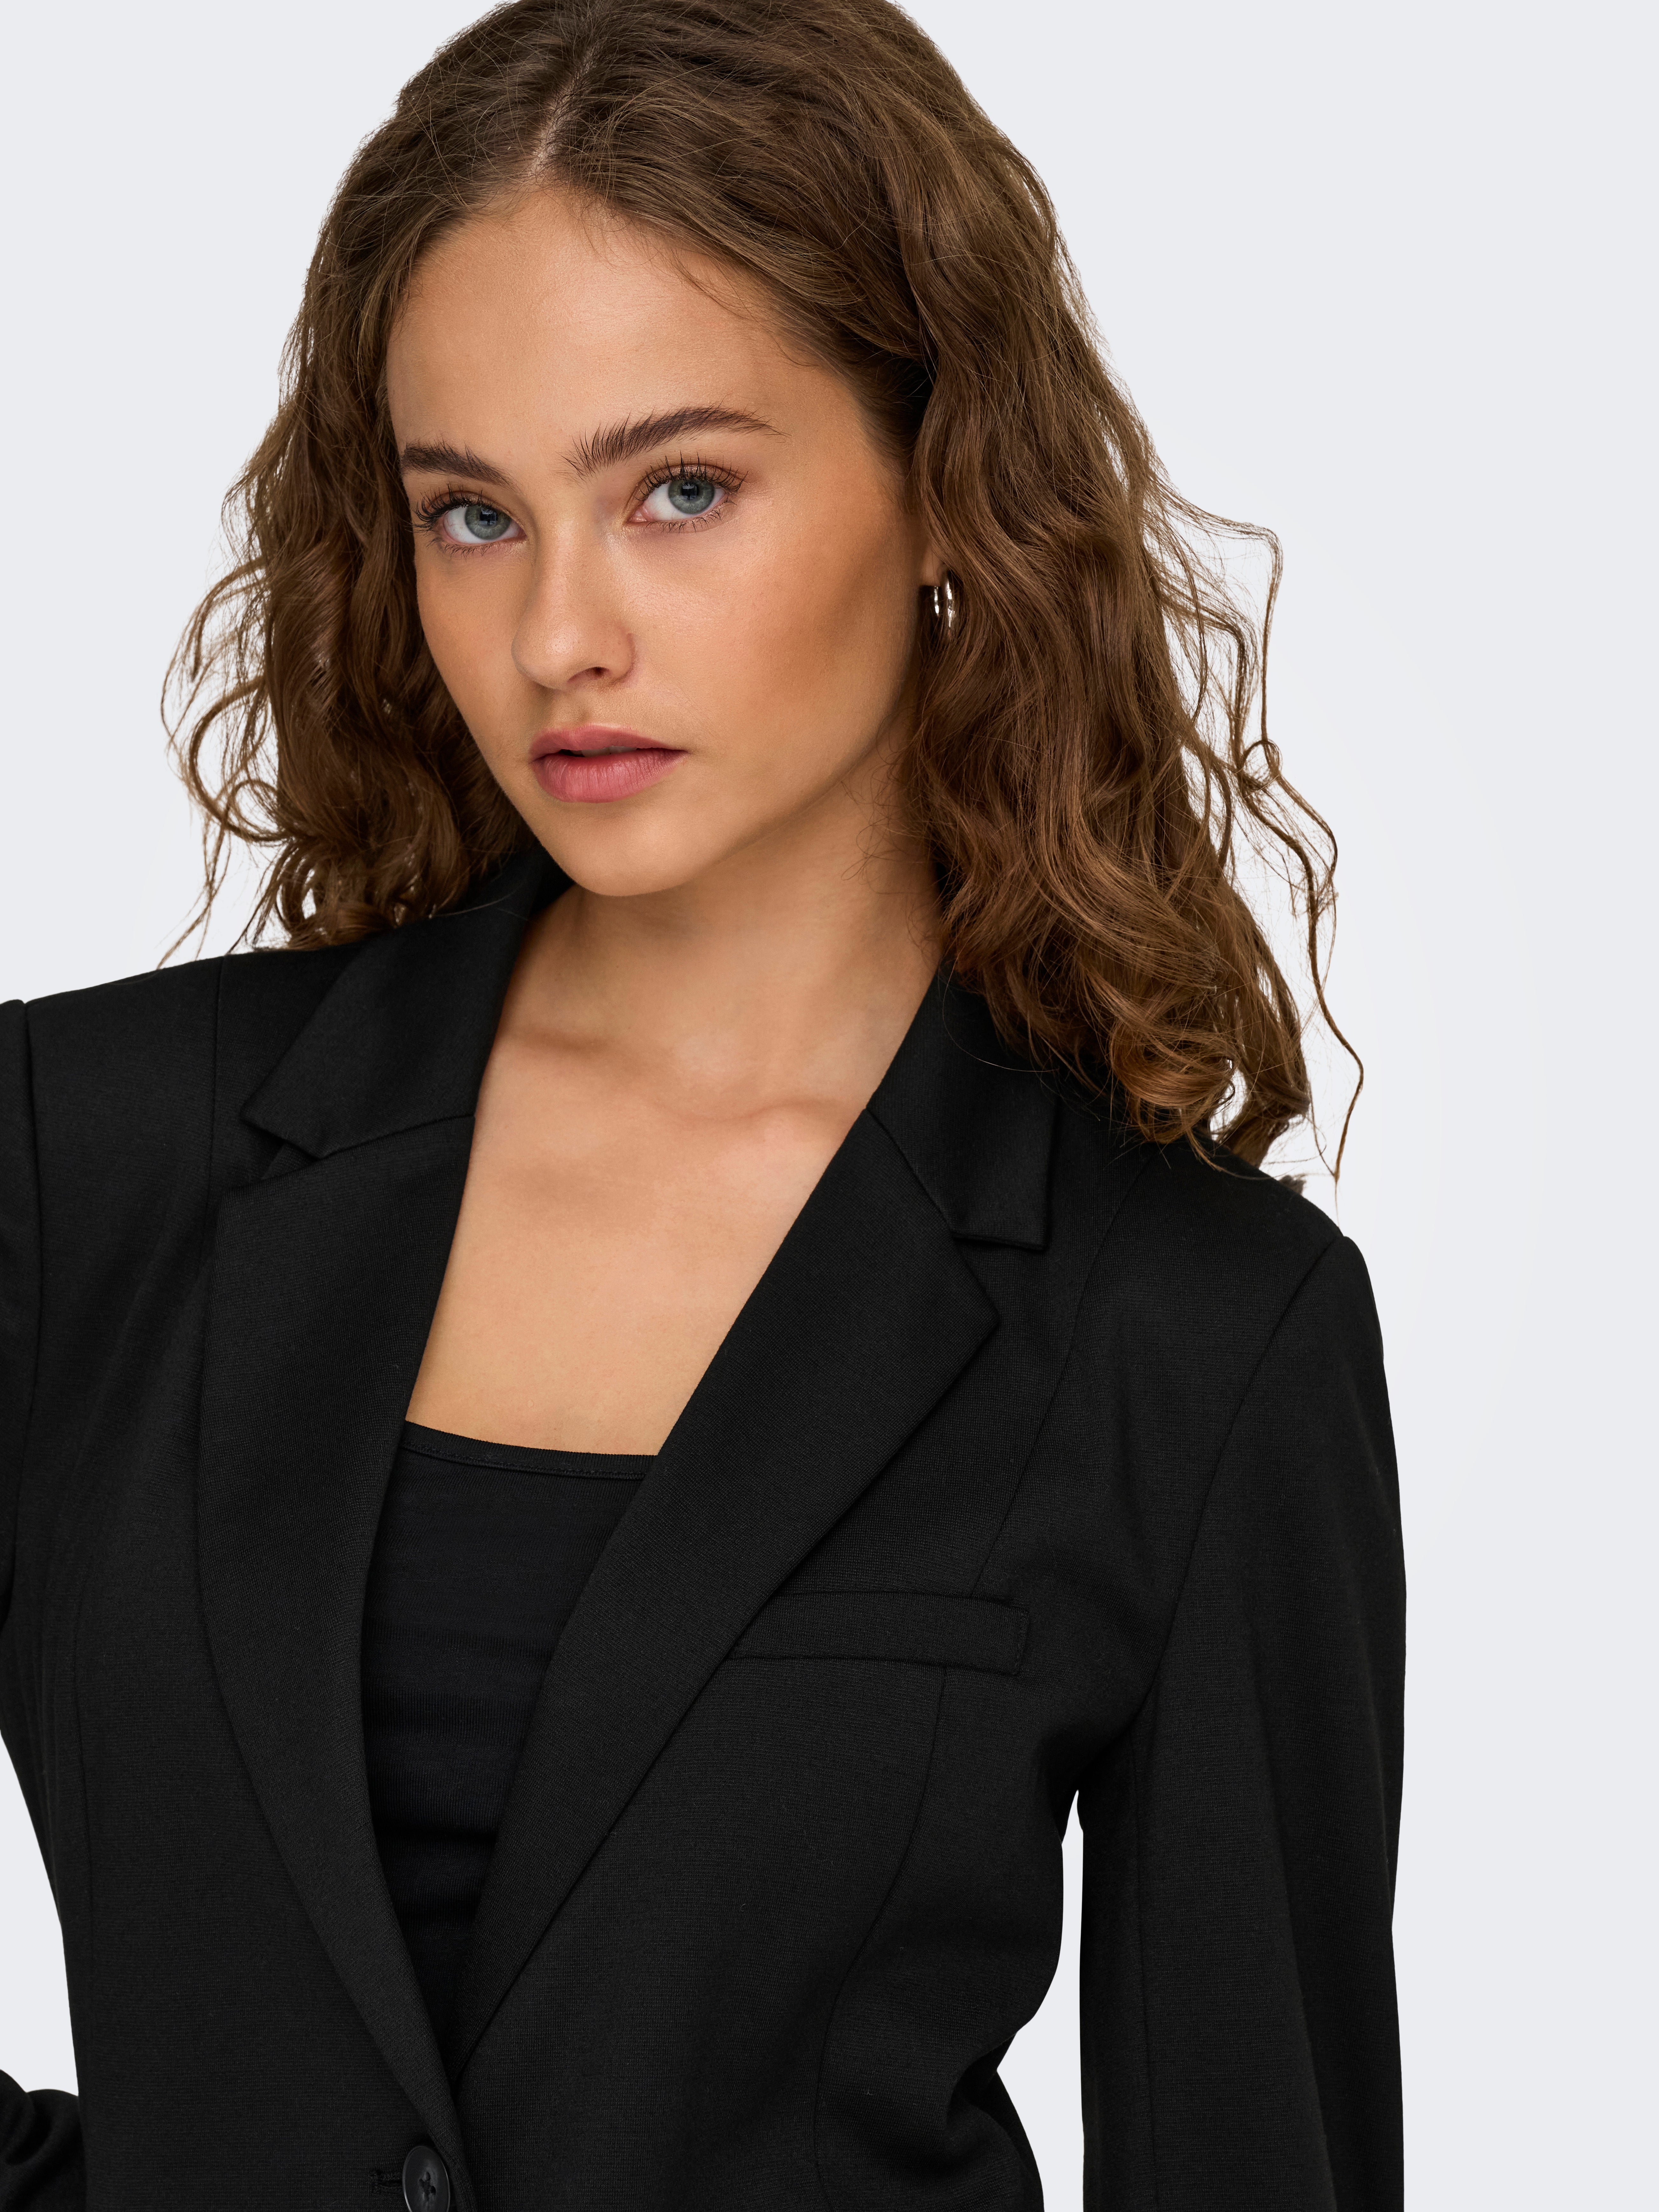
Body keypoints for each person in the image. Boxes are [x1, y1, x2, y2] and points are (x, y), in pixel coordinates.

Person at [0, 1, 1405, 2206]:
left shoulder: (1193, 1332)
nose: (559, 634)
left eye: (680, 490)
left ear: (946, 488)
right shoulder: (78, 1162)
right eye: (474, 515)